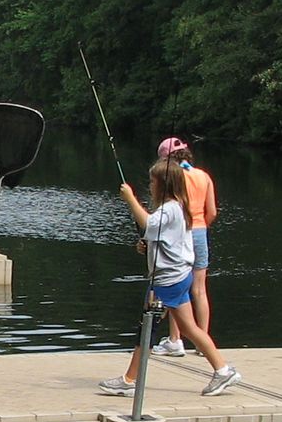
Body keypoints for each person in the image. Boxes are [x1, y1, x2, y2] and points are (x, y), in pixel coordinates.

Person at [101, 158, 240, 397]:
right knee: (189, 328)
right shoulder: (177, 207)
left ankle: (129, 380)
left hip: (167, 281)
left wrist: (130, 199)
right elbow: (160, 236)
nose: (150, 186)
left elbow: (148, 225)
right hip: (178, 276)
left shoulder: (170, 209)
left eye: (152, 182)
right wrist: (146, 246)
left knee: (146, 329)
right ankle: (223, 370)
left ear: (163, 185)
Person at [154, 137, 217, 356]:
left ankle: (175, 340)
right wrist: (200, 228)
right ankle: (203, 342)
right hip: (201, 232)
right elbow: (213, 212)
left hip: (181, 235)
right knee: (200, 290)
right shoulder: (203, 176)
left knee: (177, 286)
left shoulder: (175, 177)